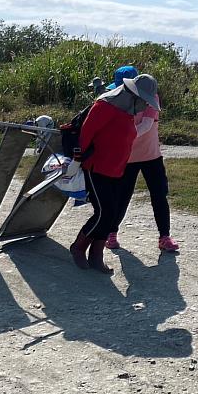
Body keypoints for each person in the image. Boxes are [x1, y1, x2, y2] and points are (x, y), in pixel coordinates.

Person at [68, 73, 161, 273]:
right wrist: (77, 161)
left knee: (111, 215)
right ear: (134, 95)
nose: (146, 106)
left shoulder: (128, 109)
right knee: (105, 212)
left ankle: (96, 255)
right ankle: (78, 247)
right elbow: (86, 134)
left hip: (117, 168)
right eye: (144, 101)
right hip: (96, 167)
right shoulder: (105, 105)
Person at [104, 66, 179, 253]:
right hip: (126, 157)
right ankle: (111, 233)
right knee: (122, 196)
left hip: (150, 155)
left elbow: (146, 125)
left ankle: (164, 236)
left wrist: (120, 139)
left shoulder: (151, 98)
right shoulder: (115, 99)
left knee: (159, 195)